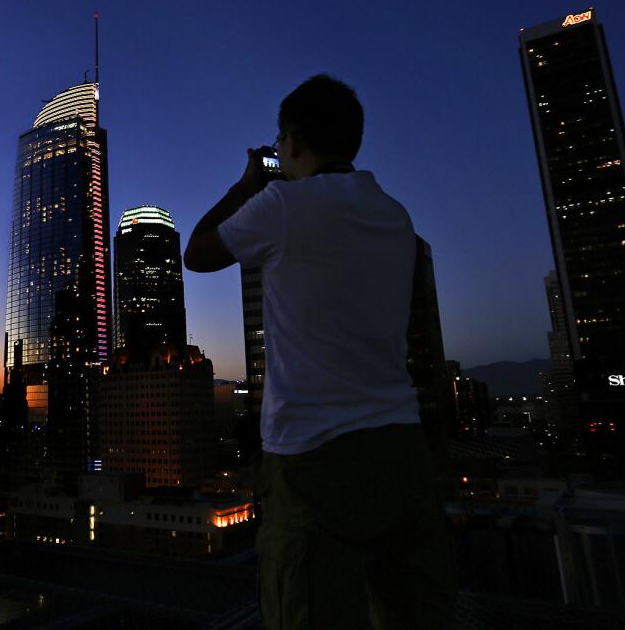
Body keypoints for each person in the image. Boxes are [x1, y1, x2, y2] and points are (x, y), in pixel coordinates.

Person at [184, 75, 456, 629]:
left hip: (312, 455)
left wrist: (246, 184)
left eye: (281, 142)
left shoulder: (283, 203)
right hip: (402, 448)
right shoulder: (394, 214)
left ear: (291, 139)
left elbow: (198, 252)